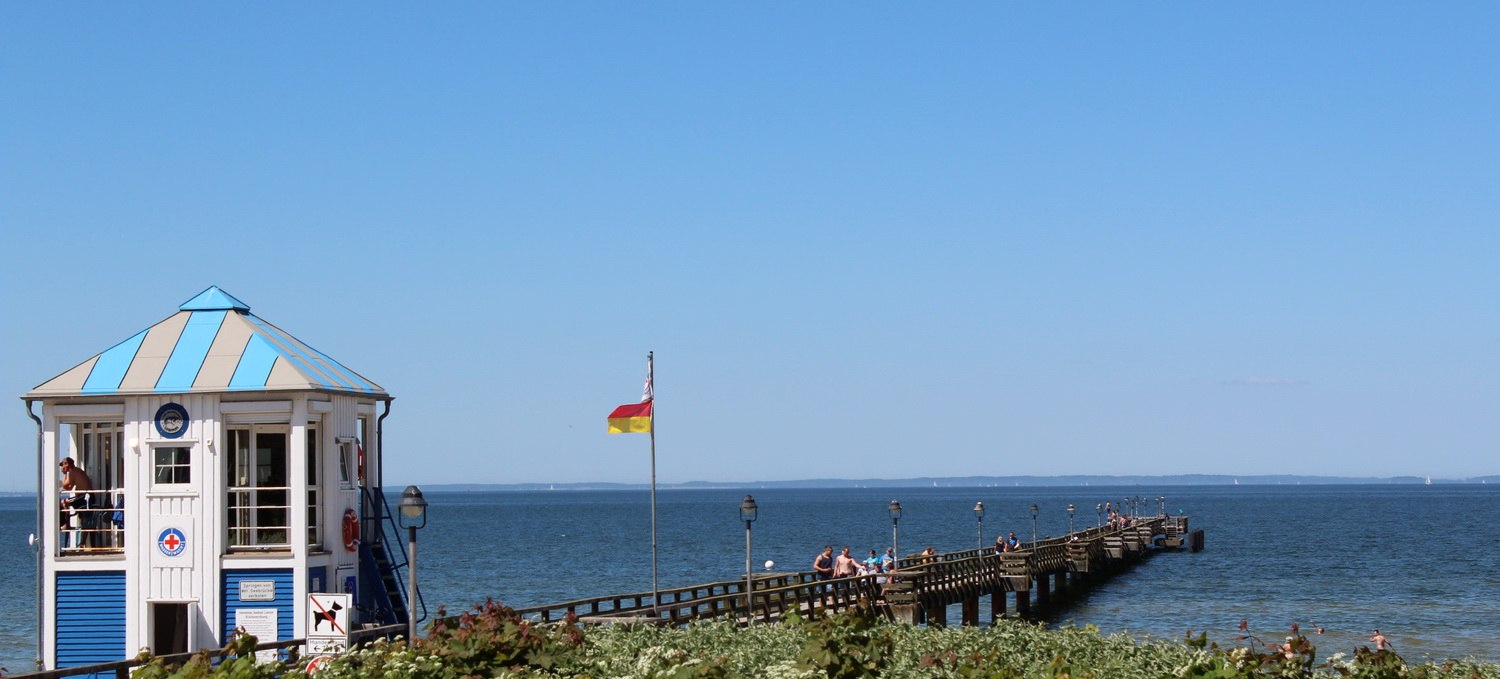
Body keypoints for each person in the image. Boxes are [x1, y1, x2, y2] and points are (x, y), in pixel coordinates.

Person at [59, 457, 94, 548]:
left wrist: (64, 474)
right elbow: (69, 488)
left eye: (63, 465)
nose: (62, 468)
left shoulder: (72, 472)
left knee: (62, 503)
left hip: (83, 497)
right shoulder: (76, 471)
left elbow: (65, 485)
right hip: (86, 497)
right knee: (84, 521)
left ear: (67, 464)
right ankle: (82, 542)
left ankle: (66, 524)